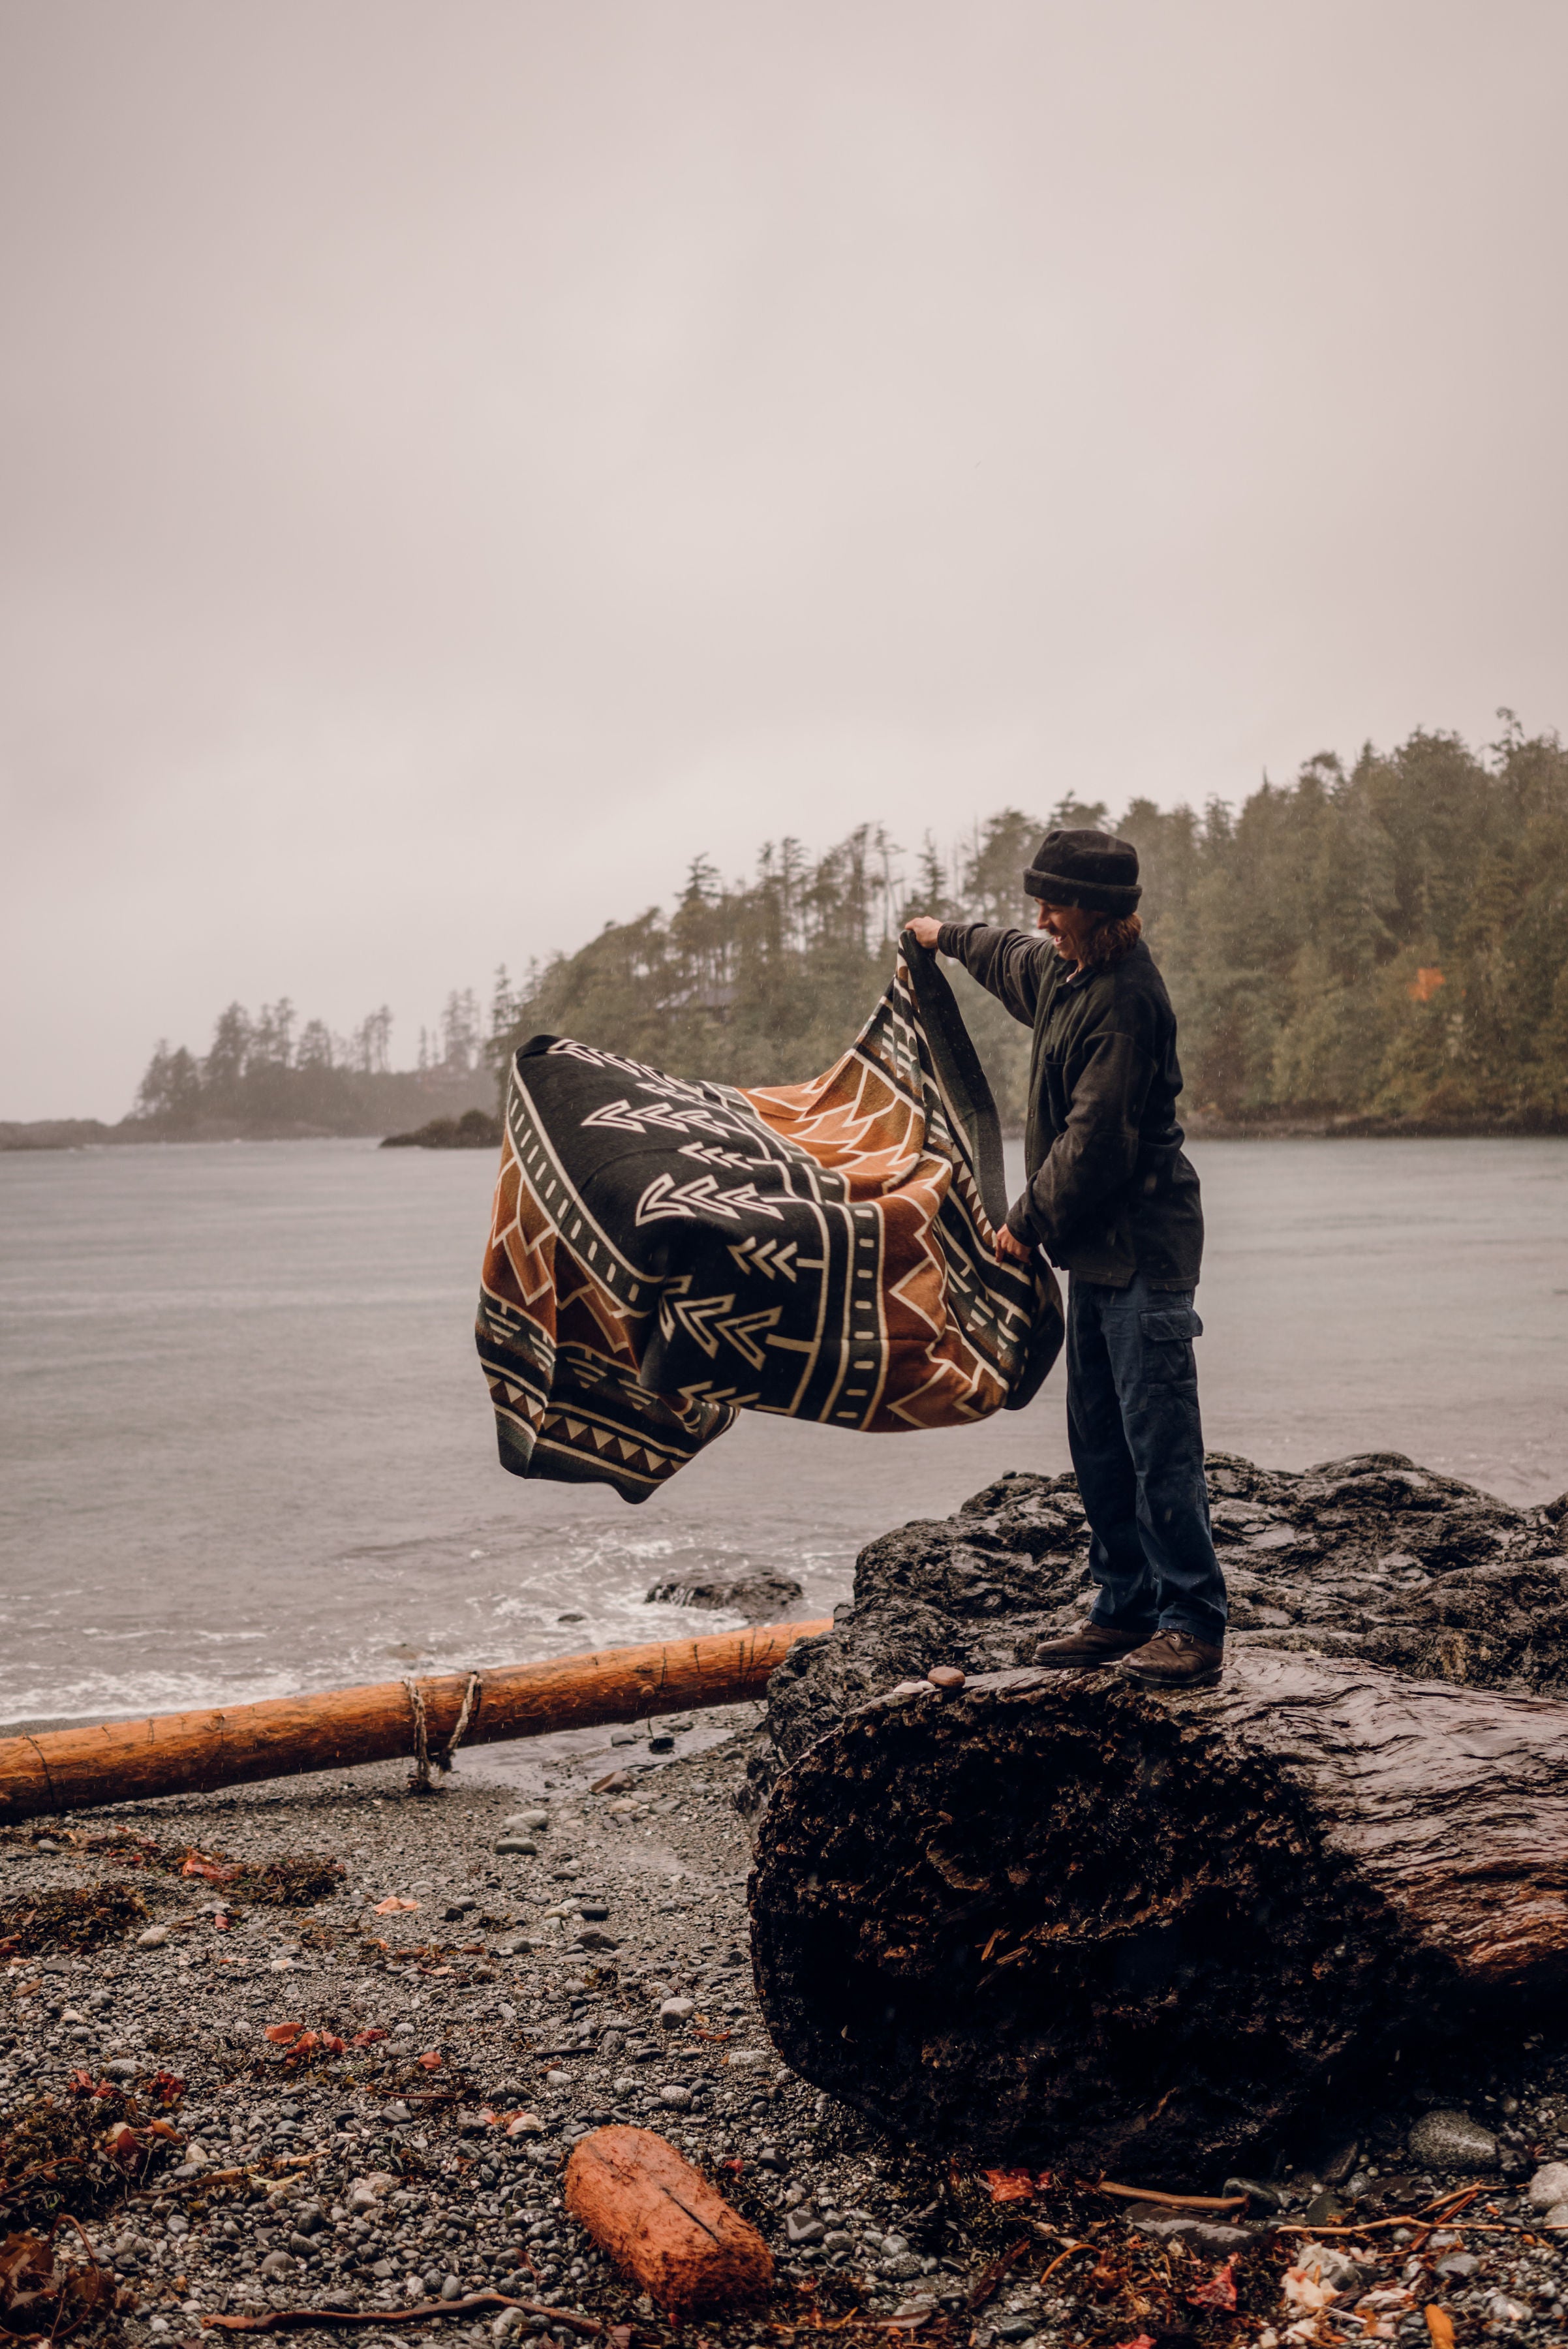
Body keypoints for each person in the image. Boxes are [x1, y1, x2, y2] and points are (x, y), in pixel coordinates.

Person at [908, 827, 1226, 1689]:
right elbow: (1008, 953)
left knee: (1160, 1439)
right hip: (1096, 1256)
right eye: (1039, 901)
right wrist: (944, 938)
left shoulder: (1128, 1004)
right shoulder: (1063, 969)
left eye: (1055, 903)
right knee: (1097, 1438)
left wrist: (1025, 1223)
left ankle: (1192, 1622)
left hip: (1147, 1247)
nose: (1041, 915)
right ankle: (1124, 1606)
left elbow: (1097, 1144)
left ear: (1098, 910)